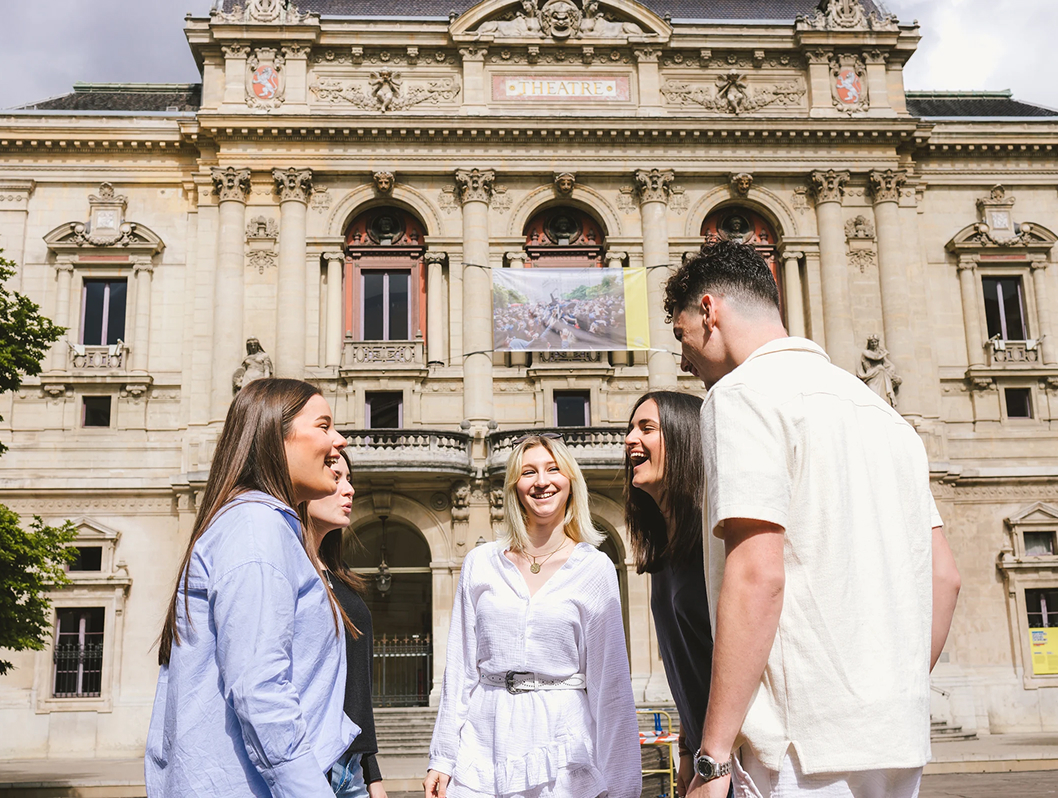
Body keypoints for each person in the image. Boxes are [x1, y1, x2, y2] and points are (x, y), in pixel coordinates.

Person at [663, 240, 961, 798]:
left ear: (709, 312)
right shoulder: (887, 417)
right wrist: (889, 693)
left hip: (800, 749)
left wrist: (712, 757)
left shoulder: (740, 396)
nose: (683, 361)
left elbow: (758, 575)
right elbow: (944, 579)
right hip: (894, 739)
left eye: (681, 337)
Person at [146, 378, 358, 797]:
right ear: (273, 437)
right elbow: (260, 692)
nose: (340, 440)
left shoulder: (263, 526)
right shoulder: (256, 529)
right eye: (324, 425)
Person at [425, 434, 641, 798]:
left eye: (553, 469)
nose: (542, 481)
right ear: (514, 488)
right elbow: (460, 669)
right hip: (483, 741)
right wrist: (442, 757)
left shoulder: (594, 568)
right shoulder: (480, 563)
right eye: (528, 472)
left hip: (562, 742)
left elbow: (612, 684)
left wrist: (624, 786)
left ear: (570, 482)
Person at [624, 391, 712, 798]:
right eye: (630, 429)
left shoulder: (717, 538)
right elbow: (688, 667)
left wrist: (715, 759)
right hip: (707, 755)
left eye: (646, 428)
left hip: (744, 759)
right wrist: (686, 748)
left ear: (684, 440)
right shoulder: (661, 549)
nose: (629, 440)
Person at [307, 449, 387, 798]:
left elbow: (356, 689)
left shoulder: (338, 576)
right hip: (309, 763)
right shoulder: (288, 572)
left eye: (349, 479)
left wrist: (373, 776)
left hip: (348, 768)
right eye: (336, 478)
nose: (349, 489)